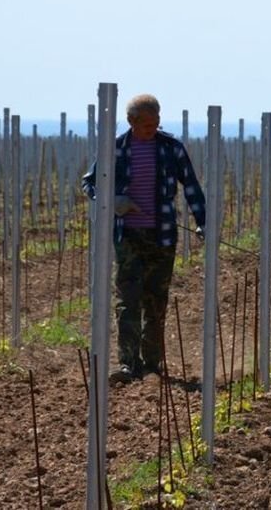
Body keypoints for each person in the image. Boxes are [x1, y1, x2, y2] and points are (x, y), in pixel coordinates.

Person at [82, 94, 206, 383]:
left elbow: (191, 186)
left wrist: (203, 223)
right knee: (128, 300)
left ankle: (152, 364)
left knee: (156, 302)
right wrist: (112, 199)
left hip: (162, 237)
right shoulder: (115, 149)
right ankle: (128, 363)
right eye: (147, 125)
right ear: (131, 122)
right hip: (127, 236)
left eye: (156, 122)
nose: (153, 128)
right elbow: (89, 182)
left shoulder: (171, 148)